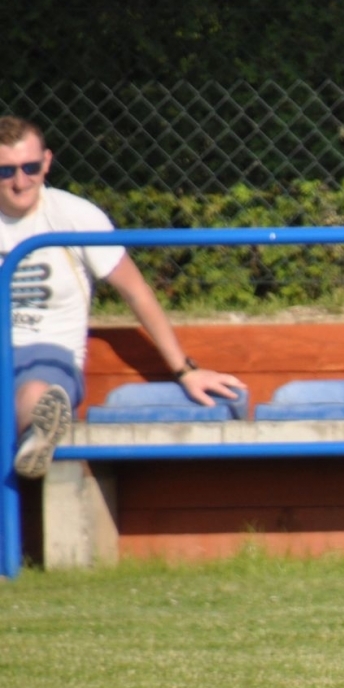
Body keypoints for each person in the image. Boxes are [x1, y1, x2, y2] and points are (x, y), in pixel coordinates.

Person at [1, 116, 243, 478]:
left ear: (47, 162)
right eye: (6, 171)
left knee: (36, 394)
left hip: (47, 355)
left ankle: (39, 432)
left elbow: (136, 292)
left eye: (30, 168)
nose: (20, 182)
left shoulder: (74, 217)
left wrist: (185, 369)